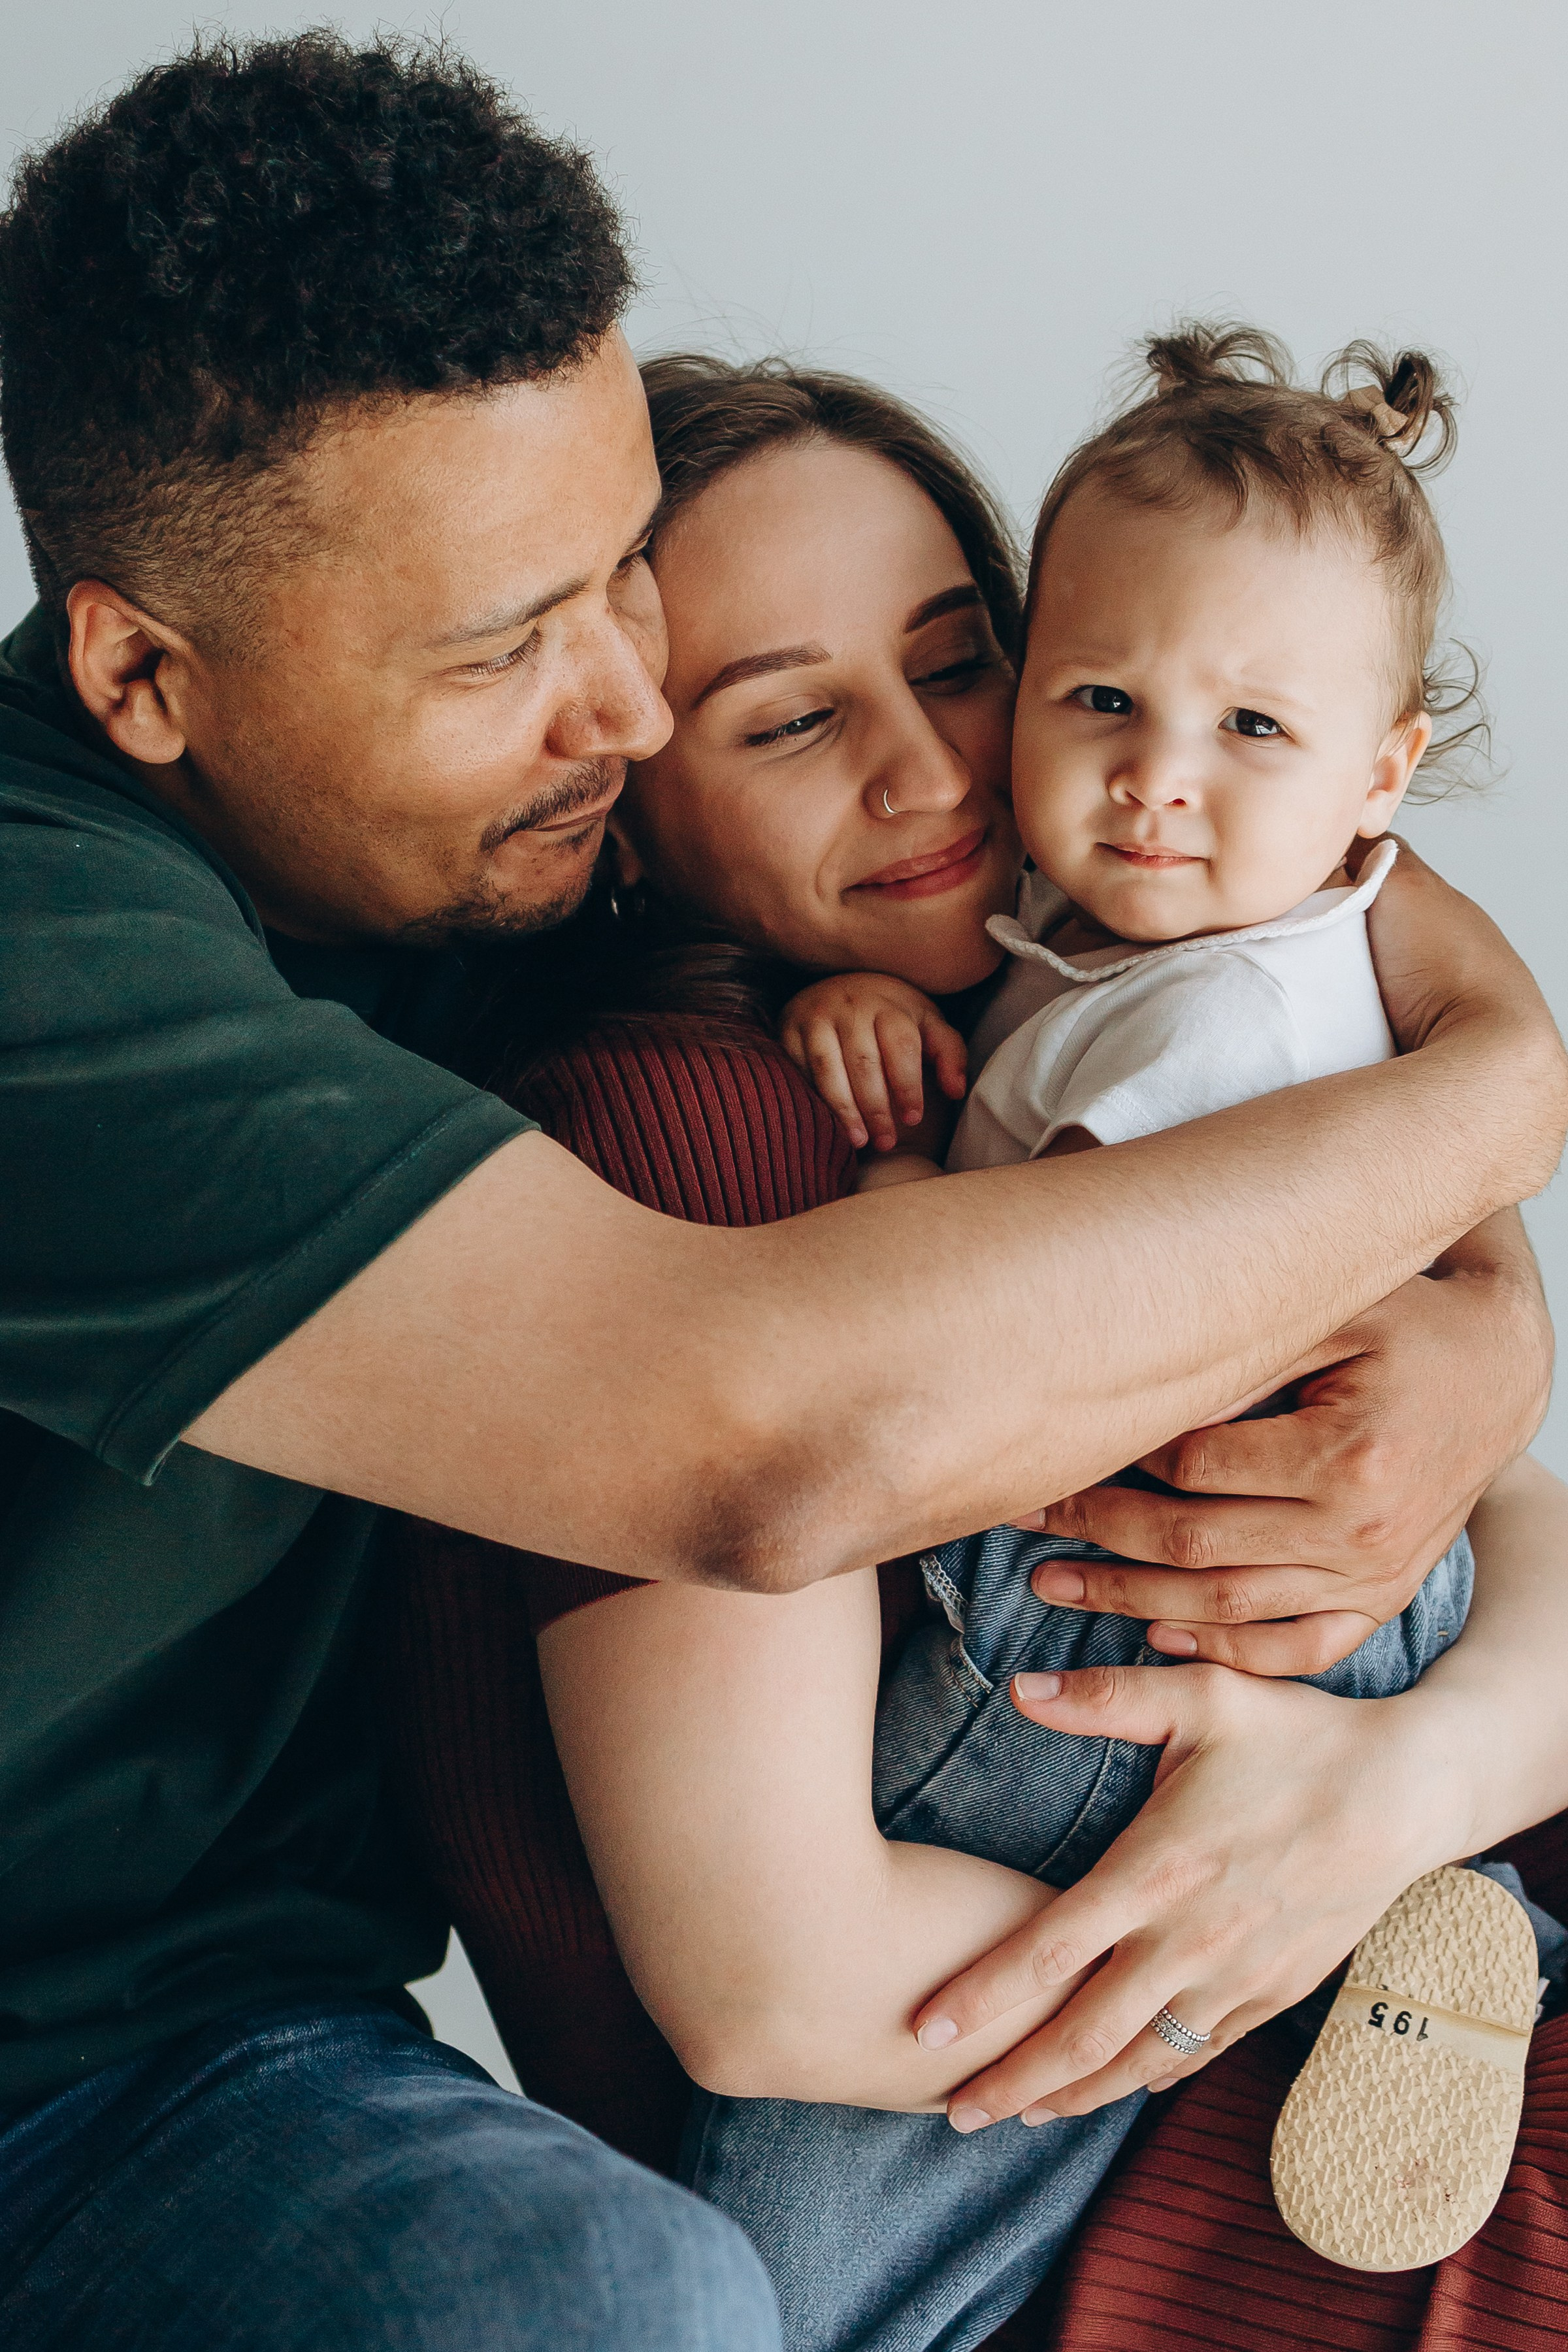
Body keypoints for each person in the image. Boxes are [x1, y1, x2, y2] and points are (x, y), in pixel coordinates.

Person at [0, 29, 1561, 2351]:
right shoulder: (73, 960)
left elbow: (1348, 897)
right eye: (511, 646)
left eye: (619, 581)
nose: (618, 703)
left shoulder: (530, 902)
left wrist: (1479, 1312)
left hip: (247, 2037)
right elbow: (758, 1442)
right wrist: (1508, 1093)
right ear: (145, 674)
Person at [382, 354, 1568, 2349]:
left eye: (963, 669)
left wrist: (1483, 1344)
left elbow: (1502, 1521)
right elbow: (778, 1990)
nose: (935, 775)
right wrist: (1371, 1837)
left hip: (1287, 2054)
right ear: (622, 798)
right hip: (1143, 2147)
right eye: (789, 721)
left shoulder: (1060, 981)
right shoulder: (683, 1143)